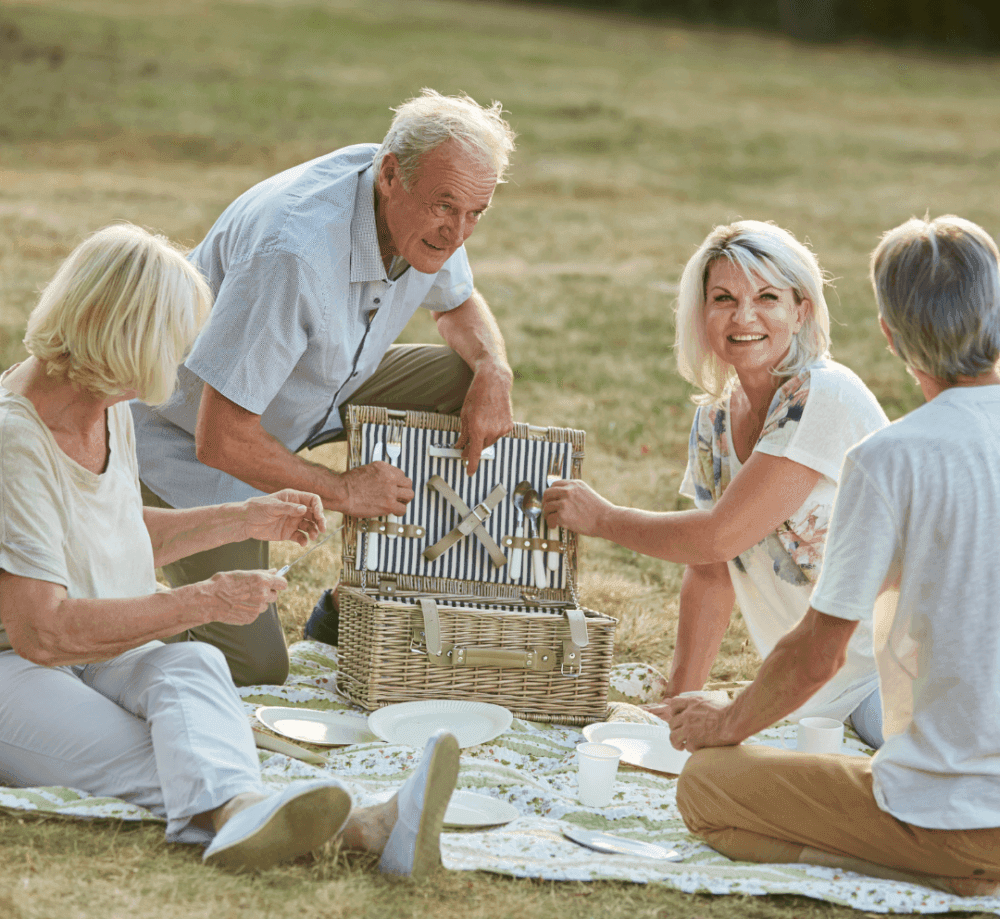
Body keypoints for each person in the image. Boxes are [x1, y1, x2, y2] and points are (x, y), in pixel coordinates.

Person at [0, 224, 460, 875]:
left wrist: (245, 519)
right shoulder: (14, 442)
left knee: (197, 671)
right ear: (112, 333)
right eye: (163, 347)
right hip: (15, 666)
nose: (169, 372)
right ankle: (367, 828)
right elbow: (42, 632)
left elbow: (112, 531)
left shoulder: (101, 407)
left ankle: (250, 809)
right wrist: (203, 599)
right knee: (158, 752)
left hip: (87, 649)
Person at [131, 89, 517, 687]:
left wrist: (496, 368)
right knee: (252, 666)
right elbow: (221, 440)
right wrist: (341, 490)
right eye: (448, 207)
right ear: (391, 175)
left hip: (314, 396)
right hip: (180, 443)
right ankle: (97, 611)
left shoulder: (424, 209)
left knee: (467, 380)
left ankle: (356, 604)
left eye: (476, 213)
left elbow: (458, 304)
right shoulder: (294, 253)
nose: (459, 231)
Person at [667, 215, 1000, 898]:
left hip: (948, 816)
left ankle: (946, 871)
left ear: (889, 331)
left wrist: (722, 723)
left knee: (706, 788)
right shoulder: (730, 420)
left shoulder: (890, 458)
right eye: (725, 298)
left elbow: (818, 652)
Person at [544, 221, 888, 746]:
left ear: (802, 311)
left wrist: (603, 519)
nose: (743, 317)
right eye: (723, 298)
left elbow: (719, 536)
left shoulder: (823, 395)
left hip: (887, 671)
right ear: (701, 314)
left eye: (767, 297)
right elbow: (710, 572)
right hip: (807, 687)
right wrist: (678, 701)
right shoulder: (714, 421)